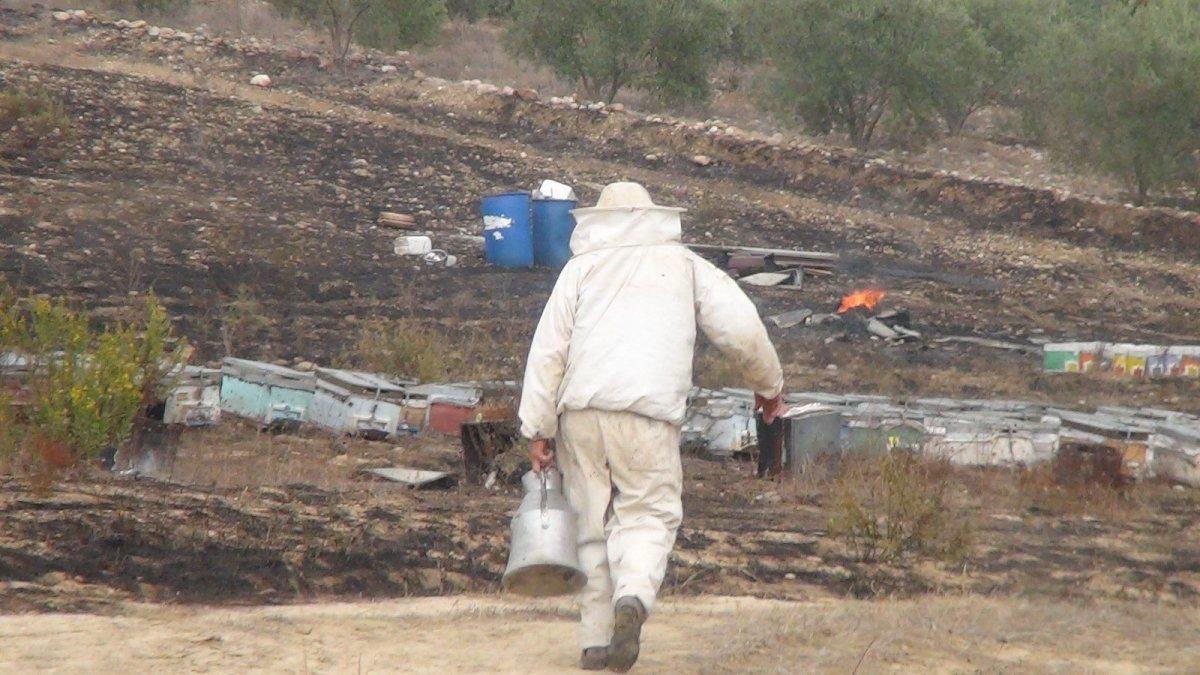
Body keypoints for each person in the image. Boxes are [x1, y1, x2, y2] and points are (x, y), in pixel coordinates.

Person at [518, 182, 785, 672]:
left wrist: (537, 428)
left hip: (580, 415)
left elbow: (548, 351)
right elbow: (742, 327)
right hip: (648, 414)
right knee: (648, 514)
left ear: (598, 220)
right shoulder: (685, 265)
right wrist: (769, 387)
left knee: (588, 523)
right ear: (653, 215)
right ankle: (633, 598)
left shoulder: (580, 269)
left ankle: (595, 642)